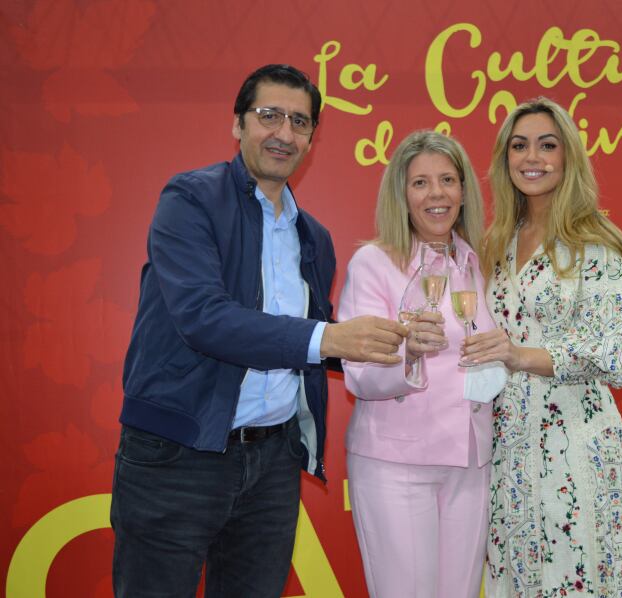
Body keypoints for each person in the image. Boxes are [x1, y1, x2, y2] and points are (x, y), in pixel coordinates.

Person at [110, 64, 407, 598]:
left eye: (299, 121)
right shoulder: (191, 200)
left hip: (271, 463)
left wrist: (390, 341)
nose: (284, 133)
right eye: (269, 116)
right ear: (238, 124)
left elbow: (314, 337)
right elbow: (205, 317)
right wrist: (329, 339)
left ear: (312, 139)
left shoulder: (313, 236)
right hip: (178, 454)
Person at [462, 97, 622, 597]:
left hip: (577, 444)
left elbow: (610, 352)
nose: (533, 158)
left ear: (568, 157)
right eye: (520, 146)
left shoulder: (598, 242)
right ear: (505, 158)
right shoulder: (497, 242)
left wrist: (517, 354)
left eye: (548, 146)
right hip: (509, 449)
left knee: (584, 572)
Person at [338, 130, 505, 598]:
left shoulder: (480, 264)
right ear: (402, 194)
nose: (437, 194)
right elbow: (360, 376)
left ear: (464, 191)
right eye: (421, 183)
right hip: (397, 465)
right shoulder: (374, 262)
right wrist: (408, 353)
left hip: (471, 463)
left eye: (448, 180)